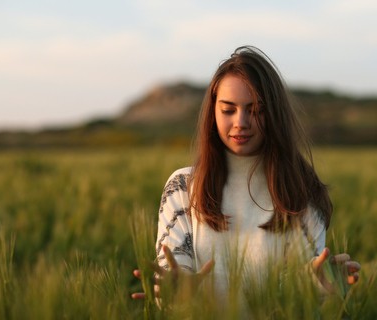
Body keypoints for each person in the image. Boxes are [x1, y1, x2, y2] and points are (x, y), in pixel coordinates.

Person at [131, 46, 360, 309]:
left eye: (256, 110)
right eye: (228, 110)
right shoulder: (182, 188)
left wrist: (316, 288)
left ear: (274, 114)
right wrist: (175, 291)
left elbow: (296, 295)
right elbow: (171, 277)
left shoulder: (301, 192)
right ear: (212, 113)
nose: (241, 122)